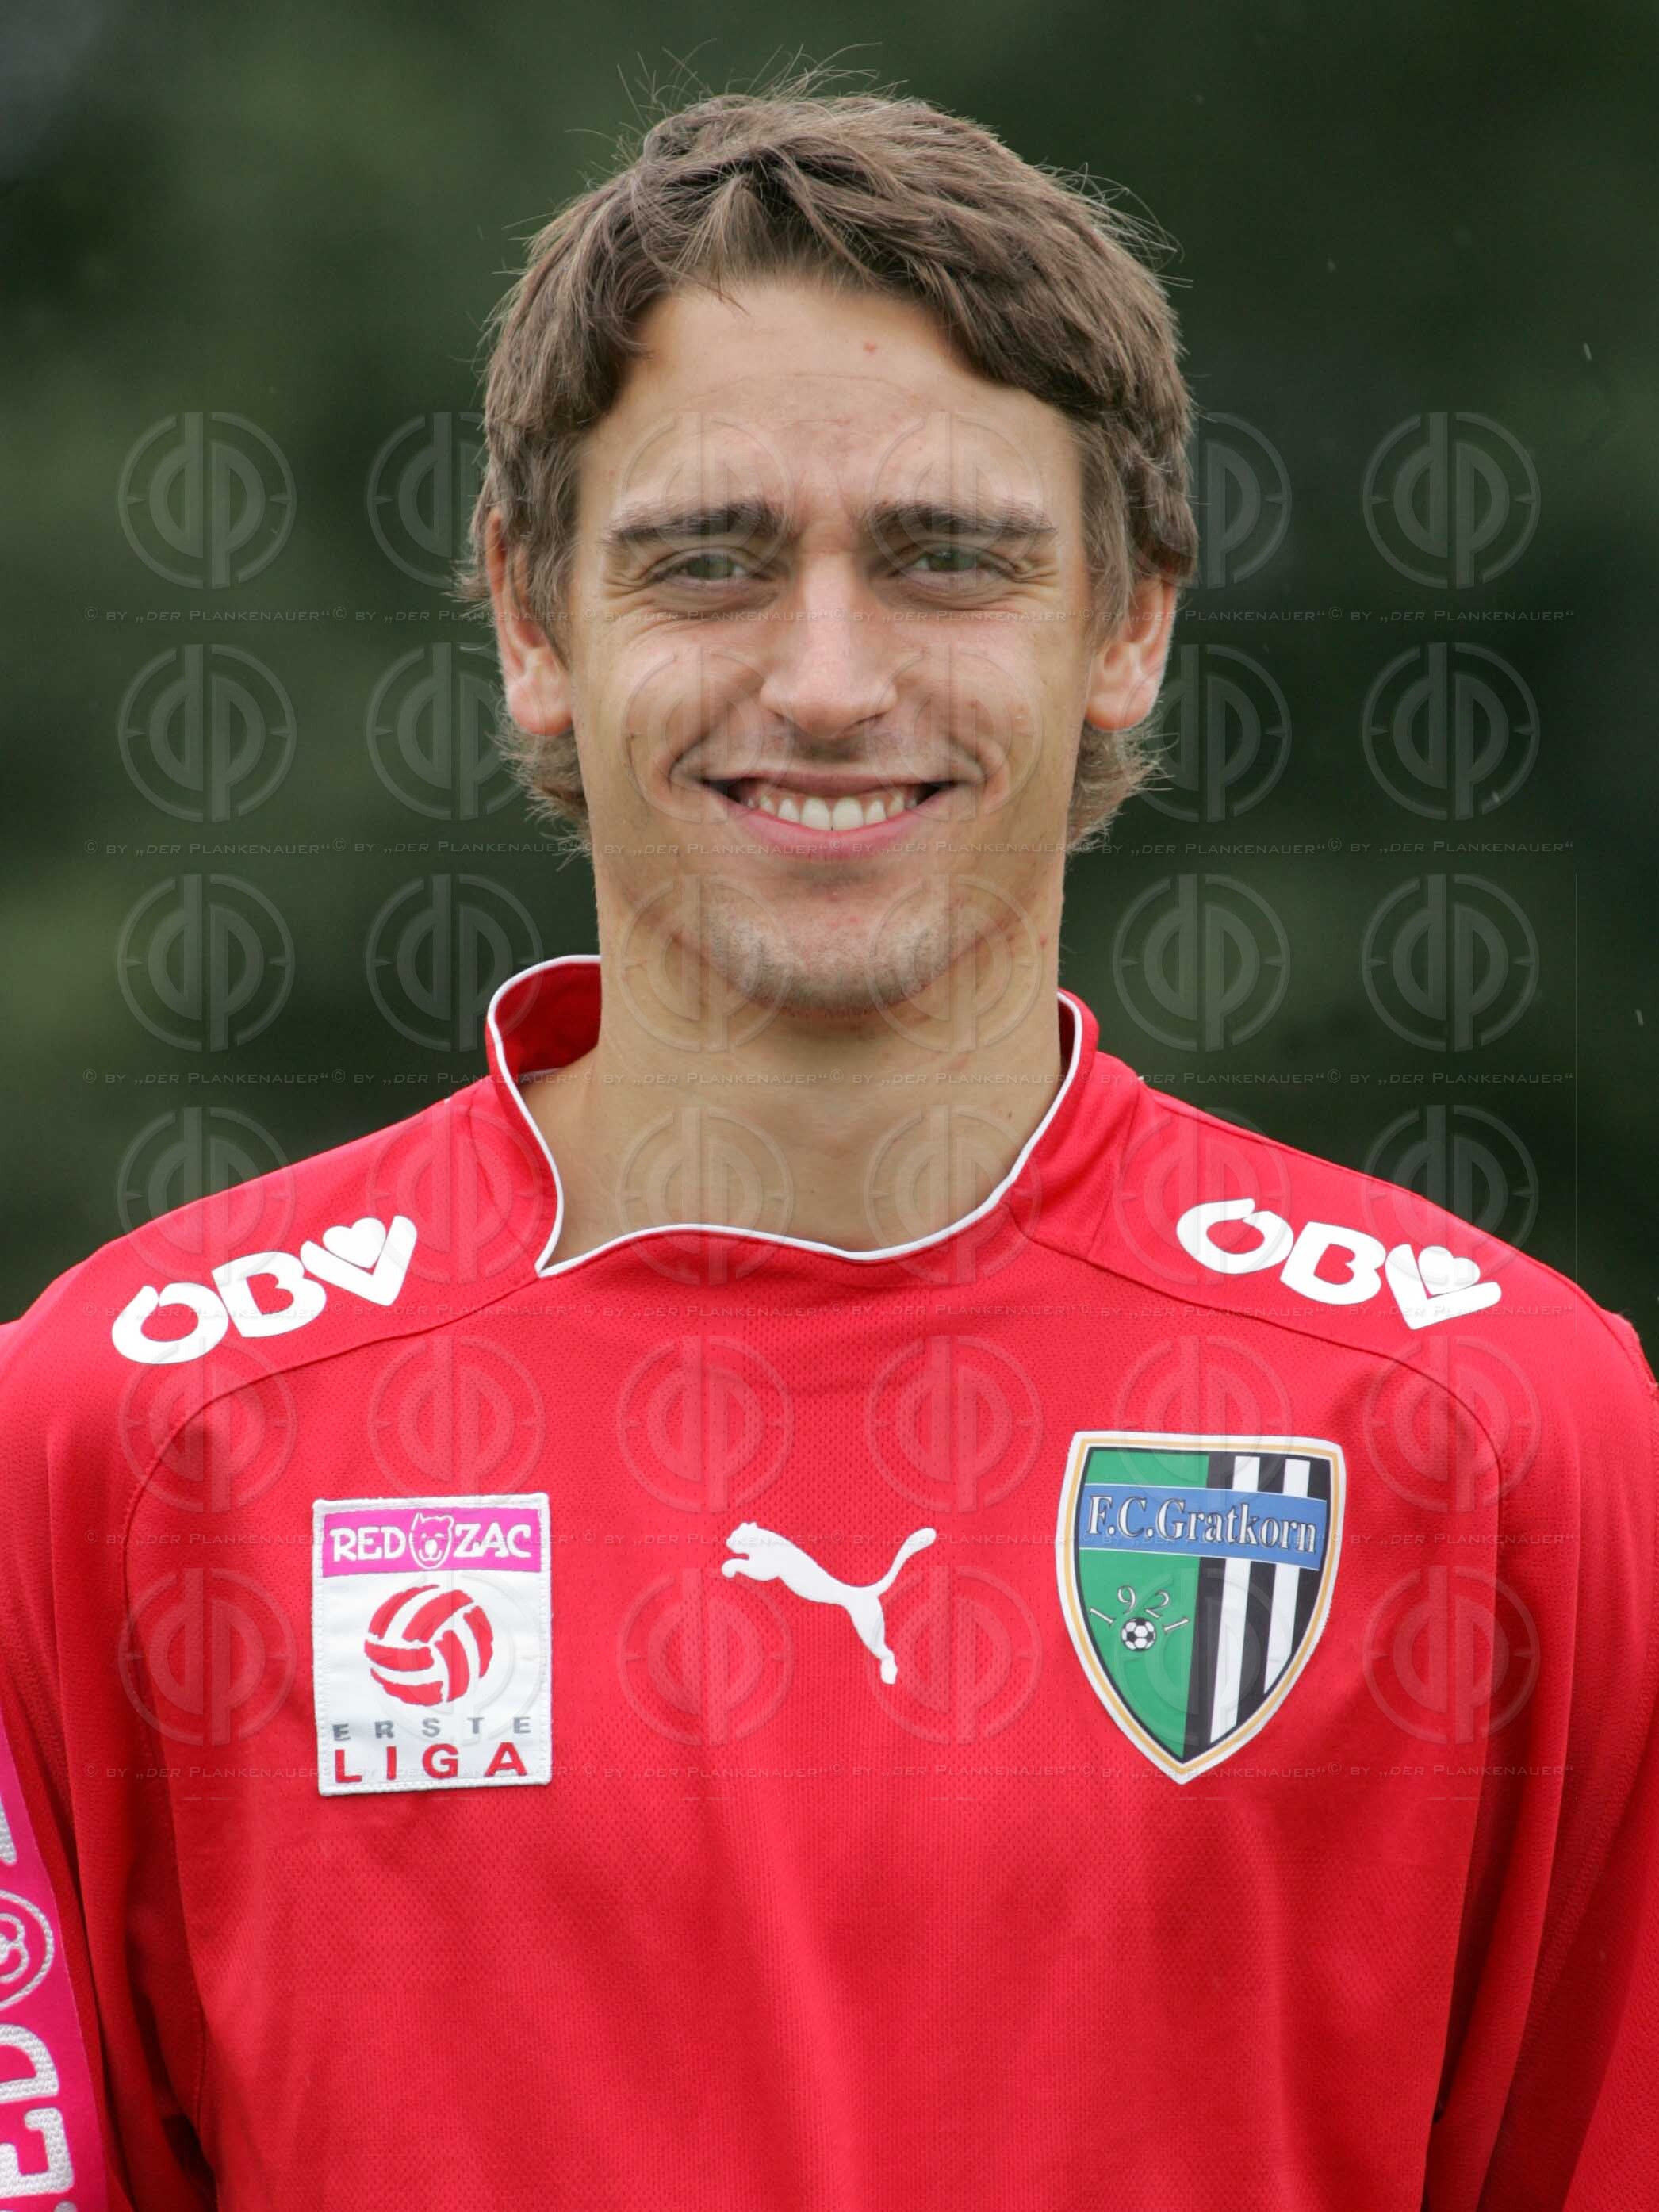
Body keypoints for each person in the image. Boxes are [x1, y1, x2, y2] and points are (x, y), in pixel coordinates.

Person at [1, 79, 1653, 2212]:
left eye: (947, 561)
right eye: (710, 561)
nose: (829, 680)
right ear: (531, 621)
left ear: (1129, 623)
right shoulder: (130, 1438)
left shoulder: (1493, 1431)